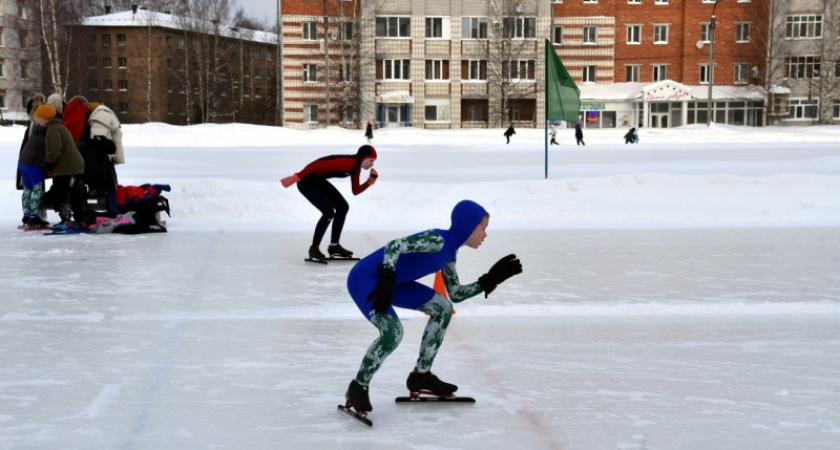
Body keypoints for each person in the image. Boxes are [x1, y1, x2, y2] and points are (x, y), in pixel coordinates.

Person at [342, 200, 523, 414]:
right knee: (393, 332)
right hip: (367, 279)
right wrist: (388, 275)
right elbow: (395, 245)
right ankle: (358, 386)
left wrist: (489, 281)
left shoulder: (450, 253)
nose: (485, 234)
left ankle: (421, 375)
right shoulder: (437, 240)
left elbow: (455, 294)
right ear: (469, 226)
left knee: (443, 308)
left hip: (393, 282)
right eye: (483, 228)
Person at [280, 145, 378, 260]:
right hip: (305, 181)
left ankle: (334, 246)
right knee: (328, 212)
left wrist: (369, 182)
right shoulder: (348, 162)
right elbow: (318, 164)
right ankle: (314, 248)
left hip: (317, 181)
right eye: (371, 160)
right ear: (364, 158)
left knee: (342, 207)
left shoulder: (355, 168)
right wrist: (296, 177)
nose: (372, 164)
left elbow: (355, 191)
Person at [41, 104, 87, 231]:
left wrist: (50, 164)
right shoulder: (59, 126)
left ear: (45, 118)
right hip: (74, 166)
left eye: (39, 117)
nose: (38, 120)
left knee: (61, 193)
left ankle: (66, 221)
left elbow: (55, 149)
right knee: (74, 194)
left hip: (66, 168)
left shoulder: (53, 129)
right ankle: (80, 220)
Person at [17, 101, 51, 229]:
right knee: (37, 189)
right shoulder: (44, 134)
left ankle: (26, 215)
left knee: (27, 189)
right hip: (33, 164)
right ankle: (33, 217)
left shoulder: (35, 131)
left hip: (23, 163)